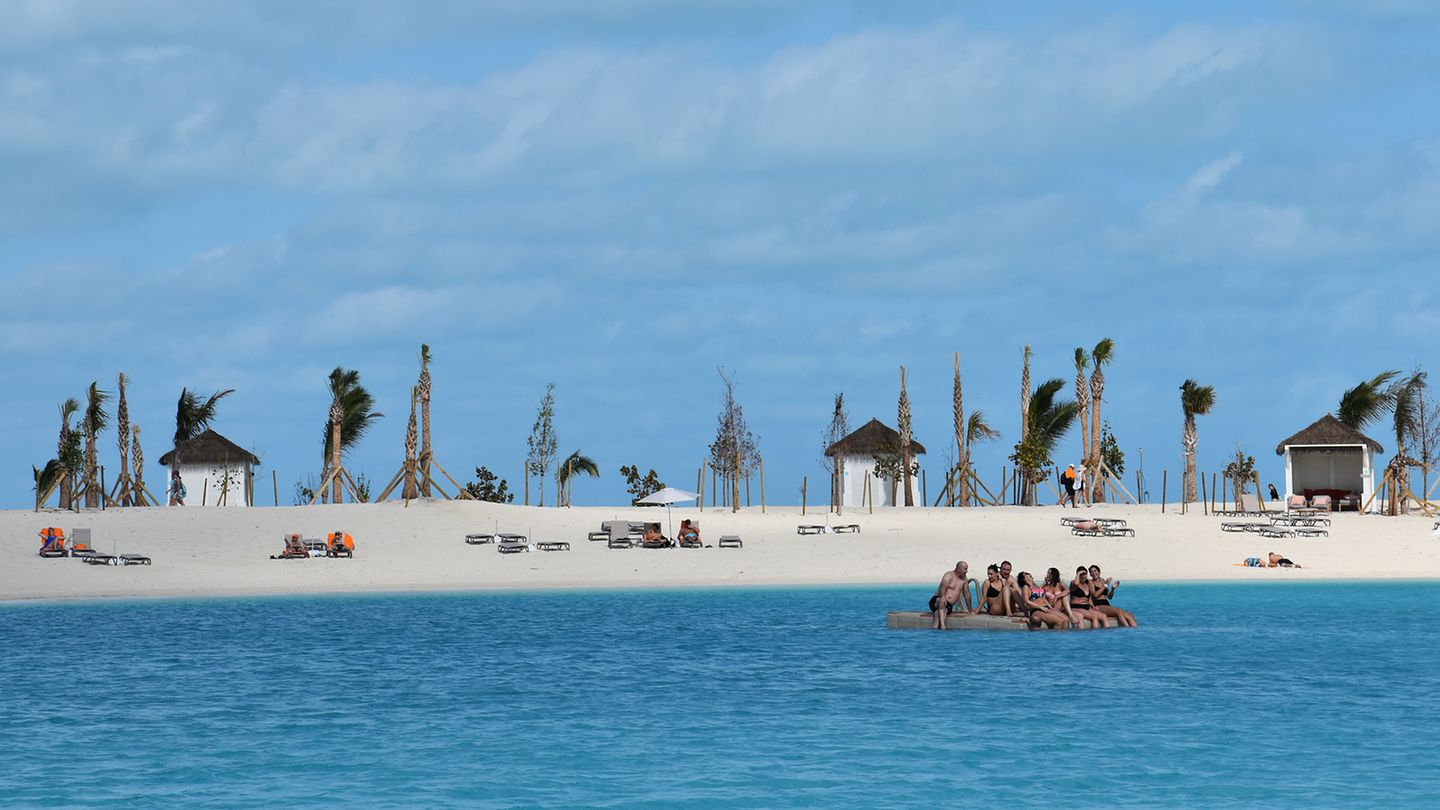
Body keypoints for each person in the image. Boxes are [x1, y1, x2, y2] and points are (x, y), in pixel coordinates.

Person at [930, 561, 976, 629]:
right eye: (965, 569)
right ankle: (943, 626)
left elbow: (967, 594)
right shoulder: (949, 575)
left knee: (938, 615)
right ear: (958, 569)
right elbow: (943, 587)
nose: (967, 571)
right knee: (941, 602)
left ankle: (935, 632)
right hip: (937, 600)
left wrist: (970, 611)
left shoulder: (964, 579)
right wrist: (943, 597)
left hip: (948, 605)